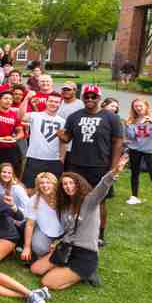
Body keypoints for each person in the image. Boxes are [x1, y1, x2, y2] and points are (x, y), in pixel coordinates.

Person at [30, 156, 128, 289]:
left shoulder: (89, 201)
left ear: (78, 183)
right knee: (35, 269)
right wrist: (59, 242)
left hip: (85, 253)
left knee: (47, 282)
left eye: (71, 183)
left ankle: (85, 273)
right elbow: (69, 230)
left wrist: (114, 172)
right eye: (65, 184)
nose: (68, 187)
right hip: (67, 248)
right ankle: (66, 268)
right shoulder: (66, 206)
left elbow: (102, 187)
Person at [58, 84, 123, 247]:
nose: (90, 99)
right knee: (73, 198)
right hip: (76, 165)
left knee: (99, 201)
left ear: (99, 98)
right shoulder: (74, 116)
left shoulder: (111, 117)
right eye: (87, 96)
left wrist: (113, 167)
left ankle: (100, 234)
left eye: (94, 97)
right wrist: (62, 136)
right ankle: (73, 228)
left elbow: (117, 142)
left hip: (99, 165)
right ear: (83, 97)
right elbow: (68, 138)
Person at [18, 91, 66, 193]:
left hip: (54, 160)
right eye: (51, 101)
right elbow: (20, 116)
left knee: (53, 190)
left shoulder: (63, 121)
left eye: (57, 102)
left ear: (60, 104)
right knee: (29, 189)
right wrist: (26, 98)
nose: (53, 104)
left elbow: (63, 141)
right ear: (46, 102)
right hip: (35, 158)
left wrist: (62, 157)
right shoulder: (35, 116)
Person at [124, 98, 152, 208]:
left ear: (146, 106)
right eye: (136, 106)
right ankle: (134, 197)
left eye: (140, 105)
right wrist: (129, 125)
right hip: (135, 150)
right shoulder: (132, 120)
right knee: (134, 174)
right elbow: (131, 137)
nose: (138, 108)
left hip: (151, 151)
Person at [21, 172, 63, 261]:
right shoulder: (34, 200)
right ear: (38, 185)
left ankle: (54, 252)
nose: (45, 185)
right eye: (42, 183)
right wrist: (27, 247)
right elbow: (30, 225)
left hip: (63, 232)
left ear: (54, 184)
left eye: (48, 182)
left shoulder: (61, 197)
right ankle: (46, 256)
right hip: (44, 231)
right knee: (39, 248)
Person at [0, 90, 24, 176]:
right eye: (5, 98)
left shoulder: (14, 115)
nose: (8, 101)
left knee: (11, 173)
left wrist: (14, 138)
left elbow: (21, 132)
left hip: (9, 148)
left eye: (10, 99)